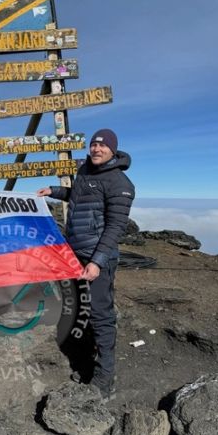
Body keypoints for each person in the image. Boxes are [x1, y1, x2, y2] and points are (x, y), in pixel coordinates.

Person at [37, 129, 135, 399]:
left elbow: (116, 227)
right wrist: (55, 191)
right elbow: (78, 198)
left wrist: (97, 262)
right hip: (75, 253)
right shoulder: (85, 173)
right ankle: (90, 365)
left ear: (113, 150)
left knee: (101, 315)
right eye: (93, 145)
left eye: (102, 146)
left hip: (96, 258)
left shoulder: (120, 183)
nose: (96, 149)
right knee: (82, 309)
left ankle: (105, 379)